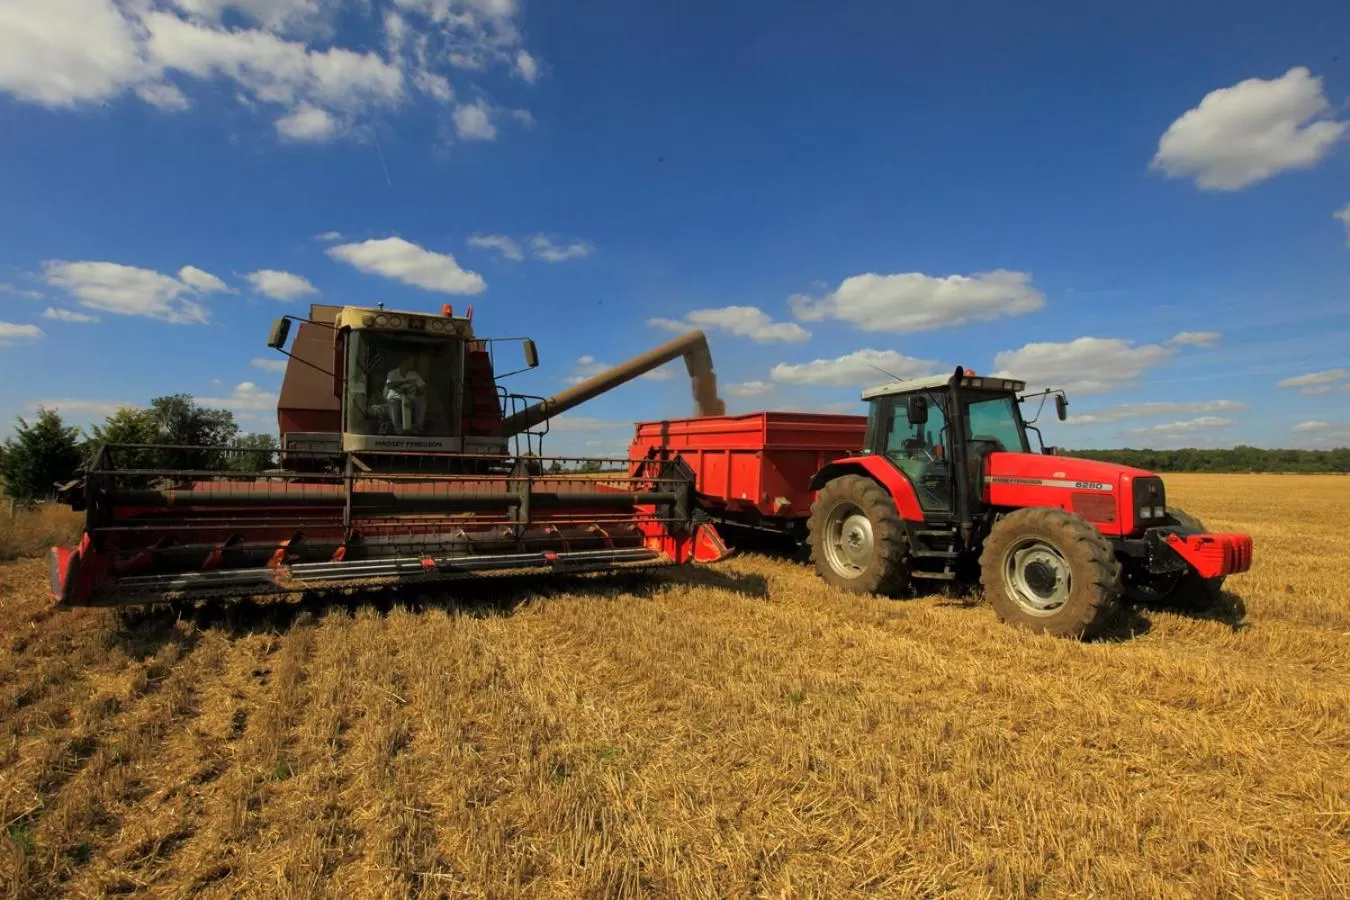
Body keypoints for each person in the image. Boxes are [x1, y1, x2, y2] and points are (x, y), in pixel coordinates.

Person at [384, 357, 427, 434]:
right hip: (395, 396)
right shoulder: (392, 373)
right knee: (392, 402)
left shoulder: (414, 374)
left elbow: (422, 386)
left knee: (421, 402)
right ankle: (397, 428)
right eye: (407, 364)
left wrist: (418, 388)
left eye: (410, 364)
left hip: (411, 395)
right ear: (401, 365)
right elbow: (389, 385)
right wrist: (404, 382)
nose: (409, 366)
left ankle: (418, 427)